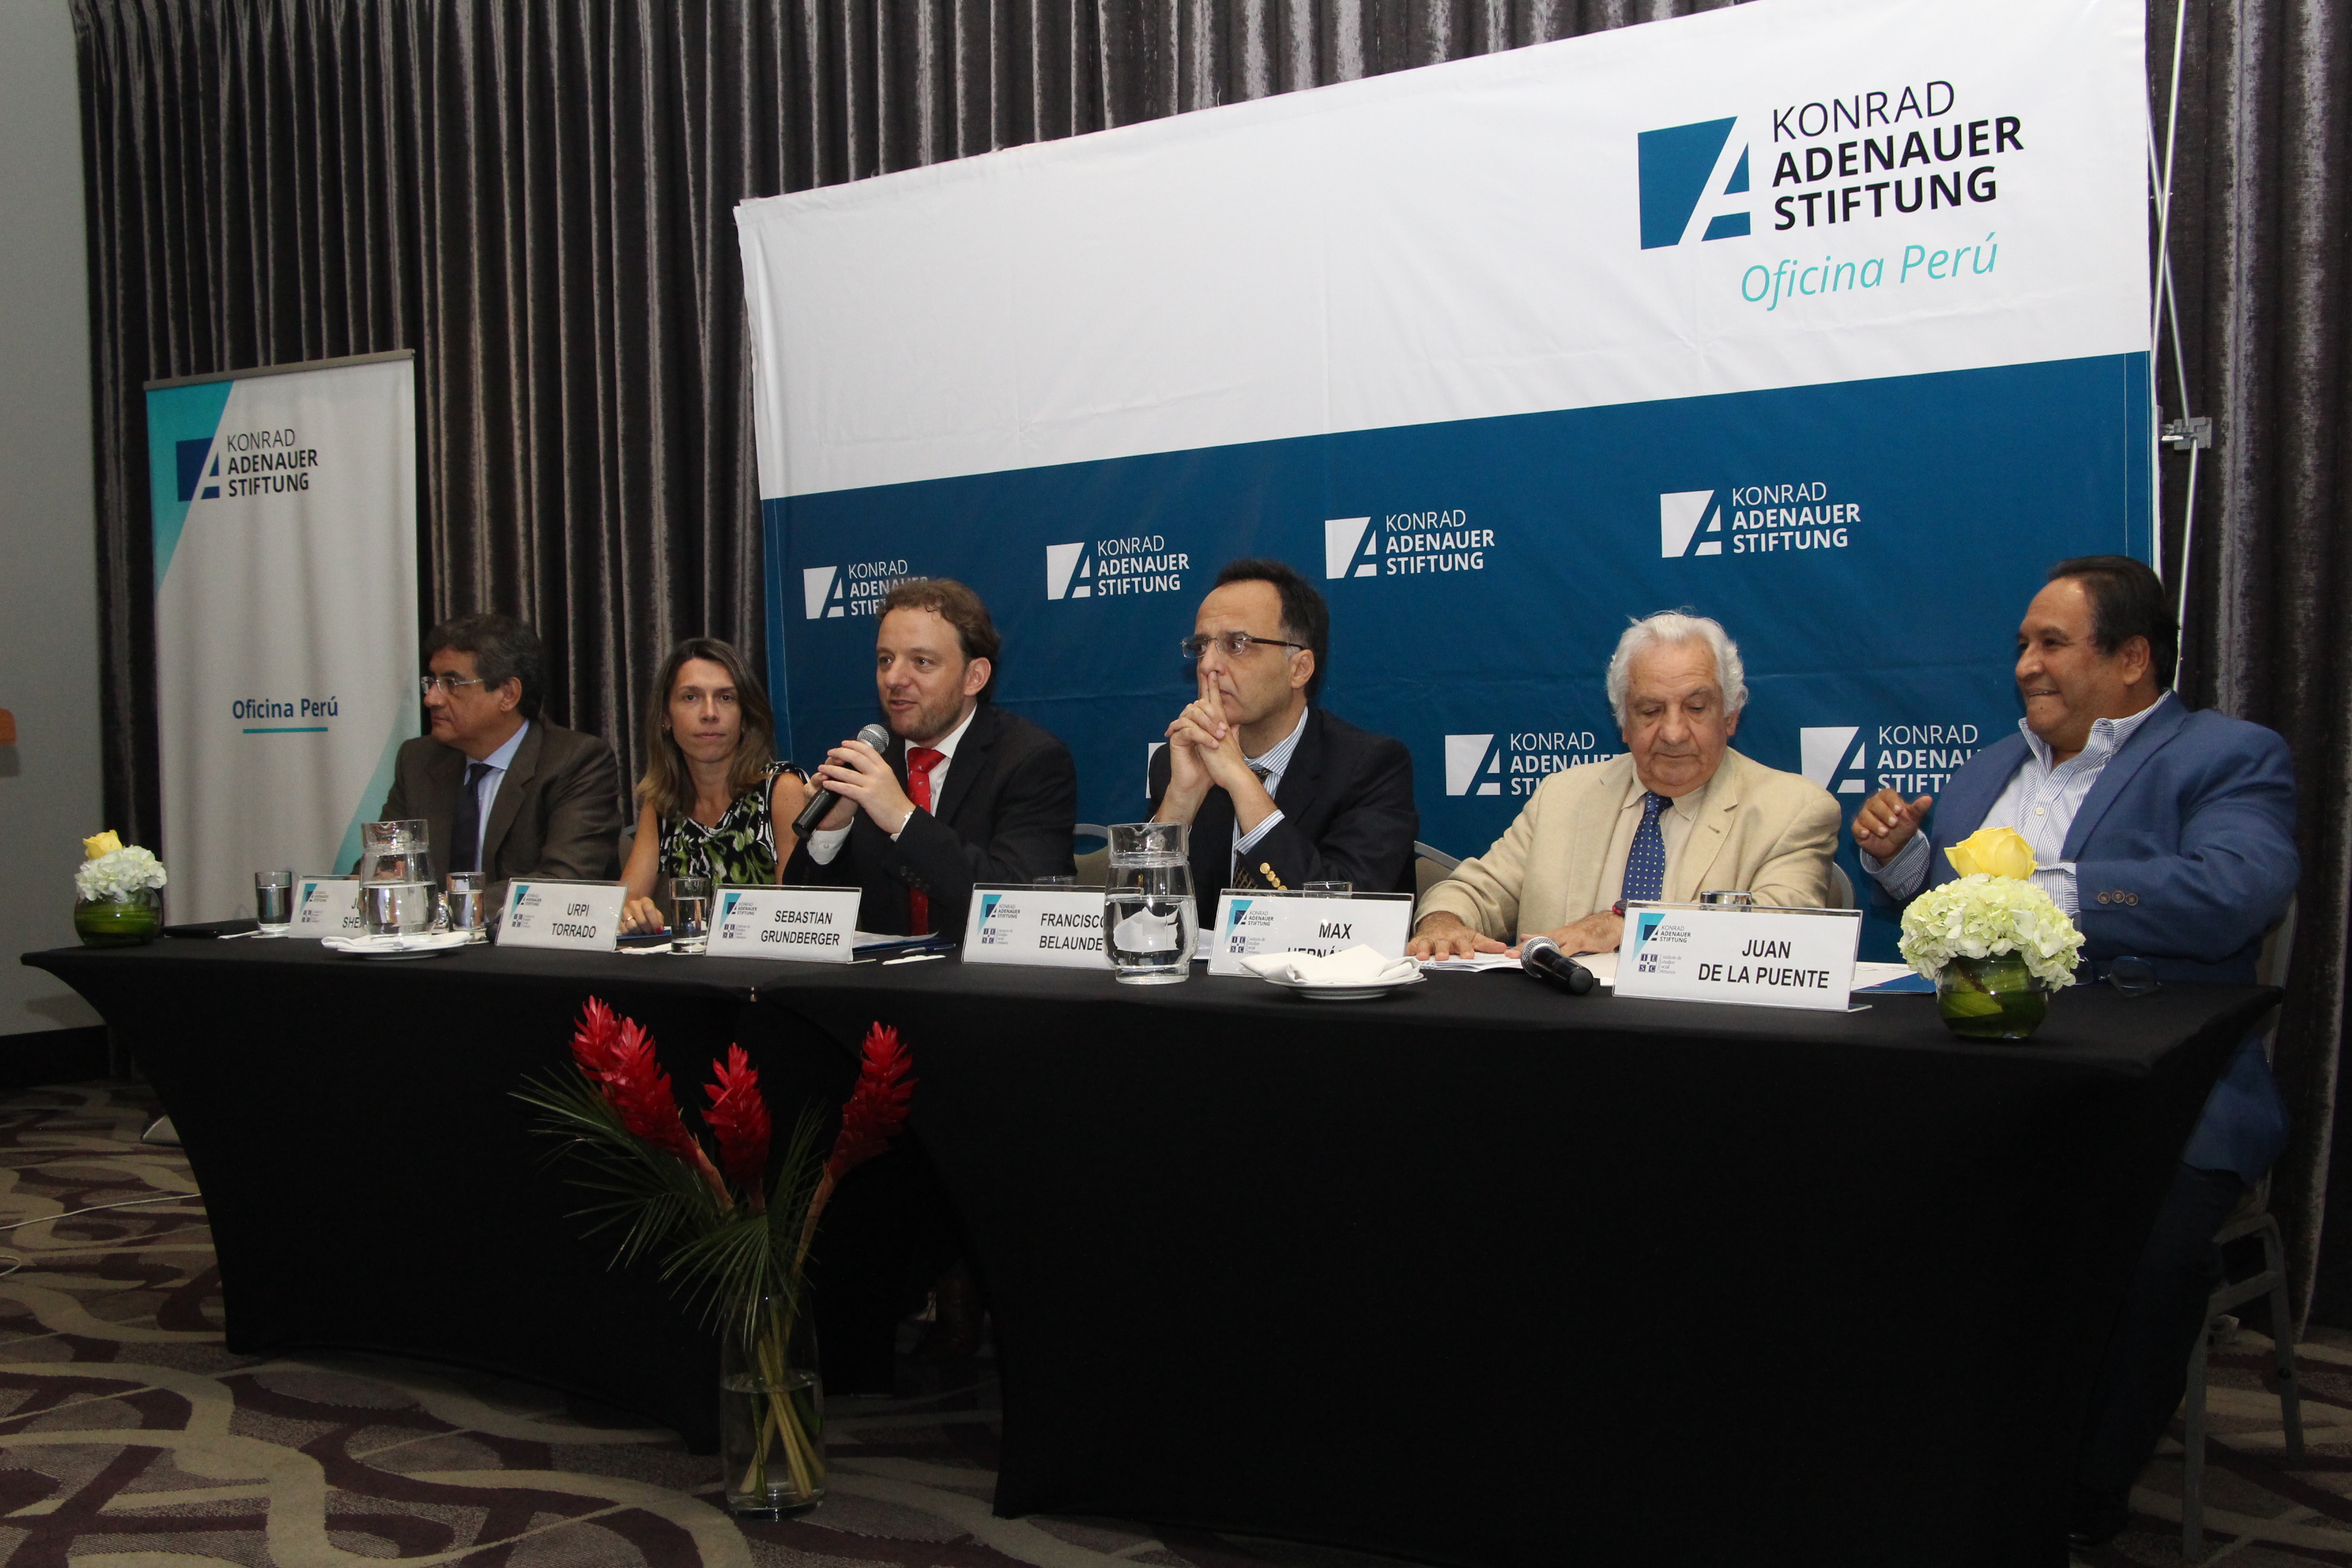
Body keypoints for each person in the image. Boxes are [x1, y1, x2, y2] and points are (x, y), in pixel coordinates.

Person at [1849, 555, 2298, 1550]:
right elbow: (1950, 917)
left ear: (2133, 658)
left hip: (2161, 1089)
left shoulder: (2226, 756)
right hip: (1982, 1080)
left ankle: (2080, 1493)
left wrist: (2056, 889)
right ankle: (1902, 1454)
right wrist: (1903, 862)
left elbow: (2237, 891)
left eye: (2052, 643)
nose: (2025, 665)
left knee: (2140, 1248)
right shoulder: (1985, 770)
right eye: (2022, 644)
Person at [1411, 612, 1836, 958]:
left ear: (1730, 716)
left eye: (1696, 708)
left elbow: (1779, 933)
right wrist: (1443, 923)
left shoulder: (1793, 810)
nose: (1673, 733)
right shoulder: (1562, 795)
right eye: (1650, 711)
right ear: (1624, 724)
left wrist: (1627, 925)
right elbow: (1474, 891)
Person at [783, 577, 1077, 936]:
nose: (893, 678)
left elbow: (1022, 906)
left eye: (921, 661)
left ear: (974, 677)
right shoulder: (870, 759)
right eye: (885, 659)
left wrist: (902, 818)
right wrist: (831, 832)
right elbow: (799, 922)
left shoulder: (1032, 761)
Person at [1148, 558, 1418, 926]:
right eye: (1201, 646)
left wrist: (1242, 781)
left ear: (1299, 669)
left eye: (1236, 645)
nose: (1208, 664)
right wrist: (1181, 803)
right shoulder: (1177, 764)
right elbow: (1138, 924)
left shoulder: (1369, 767)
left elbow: (1343, 921)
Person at [373, 612, 623, 894]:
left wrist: (448, 908)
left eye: (451, 683)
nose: (431, 698)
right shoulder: (417, 760)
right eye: (432, 681)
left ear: (508, 694)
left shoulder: (575, 762)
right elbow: (383, 868)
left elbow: (564, 881)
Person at [618, 639, 809, 935]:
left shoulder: (782, 790)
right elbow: (624, 902)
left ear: (745, 717)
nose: (709, 713)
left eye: (726, 698)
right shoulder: (664, 804)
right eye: (691, 697)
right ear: (666, 717)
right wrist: (632, 913)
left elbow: (798, 915)